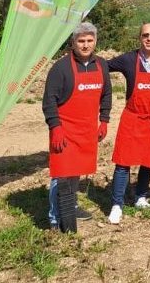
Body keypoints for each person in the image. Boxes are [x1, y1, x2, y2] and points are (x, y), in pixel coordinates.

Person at [42, 22, 111, 233]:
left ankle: (70, 207)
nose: (85, 45)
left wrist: (104, 120)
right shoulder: (60, 68)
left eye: (89, 41)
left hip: (86, 129)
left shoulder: (101, 65)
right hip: (65, 130)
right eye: (81, 41)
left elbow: (107, 93)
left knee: (76, 172)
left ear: (95, 42)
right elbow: (49, 101)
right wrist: (56, 127)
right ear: (73, 43)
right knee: (61, 174)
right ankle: (55, 218)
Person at [105, 23, 150, 224]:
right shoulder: (128, 59)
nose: (149, 38)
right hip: (132, 117)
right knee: (123, 162)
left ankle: (140, 197)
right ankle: (117, 204)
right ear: (139, 37)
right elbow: (102, 67)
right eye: (145, 35)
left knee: (148, 159)